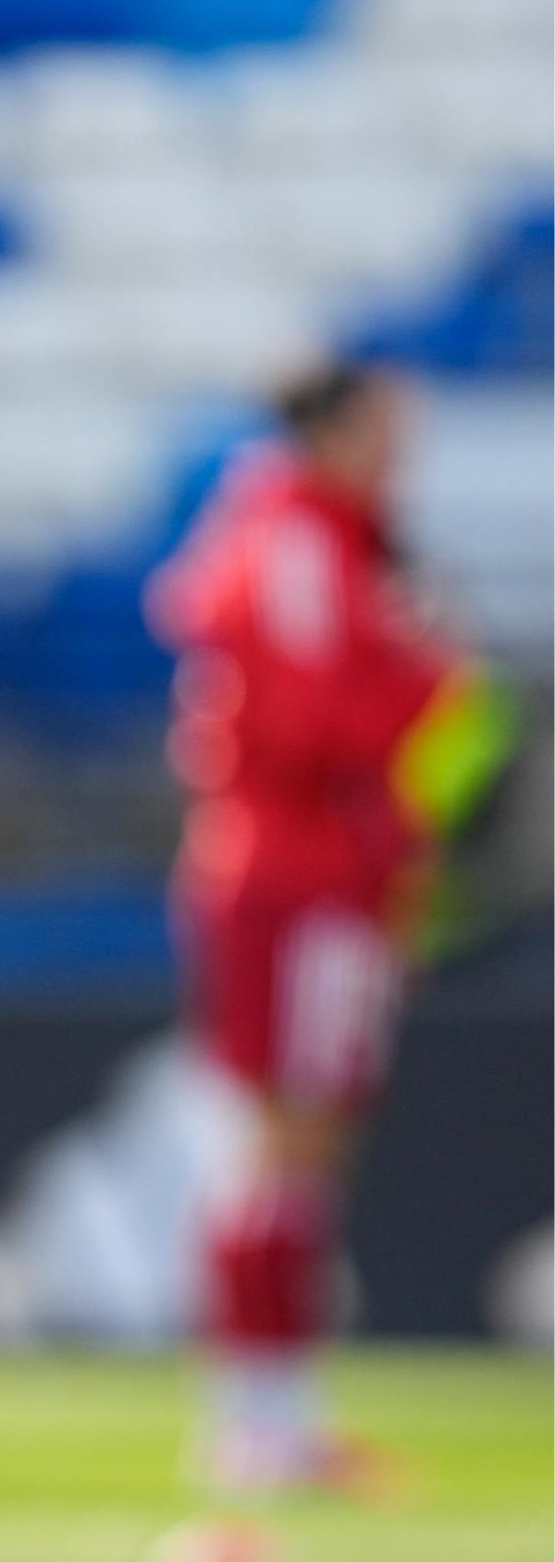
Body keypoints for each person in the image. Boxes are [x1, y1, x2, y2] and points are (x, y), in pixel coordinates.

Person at [149, 360, 512, 1502]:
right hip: (300, 879)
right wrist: (428, 681)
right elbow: (309, 720)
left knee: (293, 1147)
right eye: (386, 430)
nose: (400, 454)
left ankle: (269, 1411)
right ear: (336, 429)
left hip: (303, 875)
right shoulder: (301, 545)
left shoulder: (322, 541)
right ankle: (258, 1419)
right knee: (286, 1146)